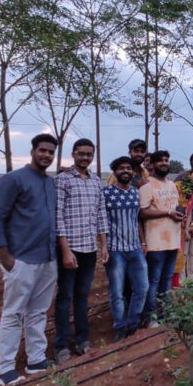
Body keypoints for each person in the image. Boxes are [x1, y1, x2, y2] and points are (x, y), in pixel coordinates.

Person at [0, 133, 59, 386]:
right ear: (32, 151)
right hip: (22, 260)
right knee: (14, 313)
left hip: (48, 259)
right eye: (42, 150)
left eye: (51, 152)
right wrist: (5, 256)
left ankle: (36, 359)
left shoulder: (50, 183)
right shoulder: (14, 180)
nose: (46, 156)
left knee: (39, 312)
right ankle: (6, 368)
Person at [53, 138, 109, 363]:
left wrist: (103, 245)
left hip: (89, 249)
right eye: (81, 153)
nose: (85, 157)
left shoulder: (95, 181)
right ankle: (61, 346)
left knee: (82, 296)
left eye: (89, 154)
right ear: (73, 154)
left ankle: (82, 340)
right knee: (65, 296)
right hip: (70, 249)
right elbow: (58, 216)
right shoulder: (63, 180)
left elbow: (101, 214)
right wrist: (65, 251)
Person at [103, 156, 148, 341]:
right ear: (115, 172)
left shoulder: (135, 193)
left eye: (128, 168)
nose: (126, 171)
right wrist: (104, 247)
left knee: (142, 288)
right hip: (115, 250)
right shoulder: (106, 193)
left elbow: (137, 219)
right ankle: (120, 327)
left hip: (135, 248)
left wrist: (143, 242)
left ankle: (132, 322)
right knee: (117, 292)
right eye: (121, 168)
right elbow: (101, 222)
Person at [139, 150, 184, 327]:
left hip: (173, 240)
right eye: (161, 161)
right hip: (155, 242)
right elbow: (142, 212)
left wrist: (180, 213)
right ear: (153, 164)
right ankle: (150, 317)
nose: (164, 163)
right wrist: (167, 213)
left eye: (167, 160)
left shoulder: (172, 185)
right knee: (154, 280)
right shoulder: (147, 185)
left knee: (166, 280)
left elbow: (174, 207)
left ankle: (164, 314)